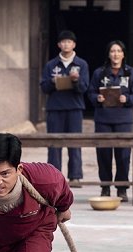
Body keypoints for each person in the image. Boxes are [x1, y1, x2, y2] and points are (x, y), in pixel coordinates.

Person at [87, 40, 133, 202]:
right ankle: (105, 187)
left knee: (123, 154)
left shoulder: (130, 73)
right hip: (103, 118)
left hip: (123, 119)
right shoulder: (99, 73)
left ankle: (122, 188)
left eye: (119, 51)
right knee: (103, 154)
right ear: (109, 54)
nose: (115, 54)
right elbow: (90, 92)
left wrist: (128, 98)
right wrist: (97, 97)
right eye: (112, 51)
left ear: (123, 54)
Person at [40, 30, 89, 188]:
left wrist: (75, 81)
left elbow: (84, 88)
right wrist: (54, 81)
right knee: (54, 144)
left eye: (69, 42)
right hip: (55, 108)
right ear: (59, 44)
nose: (66, 44)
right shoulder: (51, 65)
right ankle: (54, 176)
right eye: (63, 42)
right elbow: (44, 87)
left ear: (74, 44)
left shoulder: (81, 64)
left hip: (74, 108)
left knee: (74, 142)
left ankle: (75, 176)